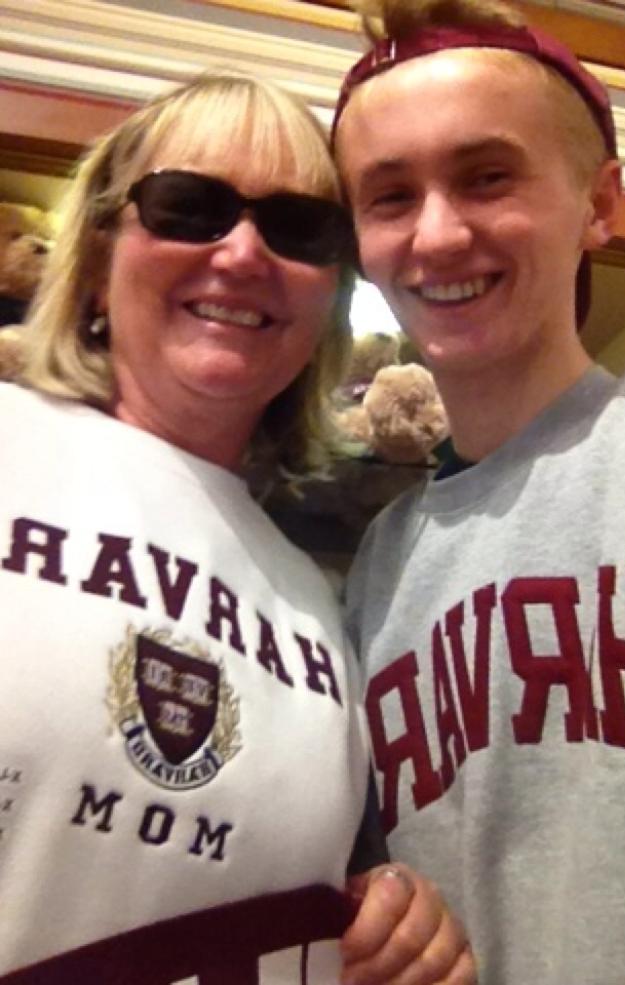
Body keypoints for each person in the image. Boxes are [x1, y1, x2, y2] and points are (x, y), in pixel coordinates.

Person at [0, 71, 475, 984]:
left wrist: (398, 928)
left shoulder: (318, 607)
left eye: (297, 229)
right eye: (190, 207)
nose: (244, 252)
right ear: (101, 255)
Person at [333, 1, 625, 983]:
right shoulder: (377, 572)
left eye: (487, 177)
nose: (437, 234)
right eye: (390, 197)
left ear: (599, 202)